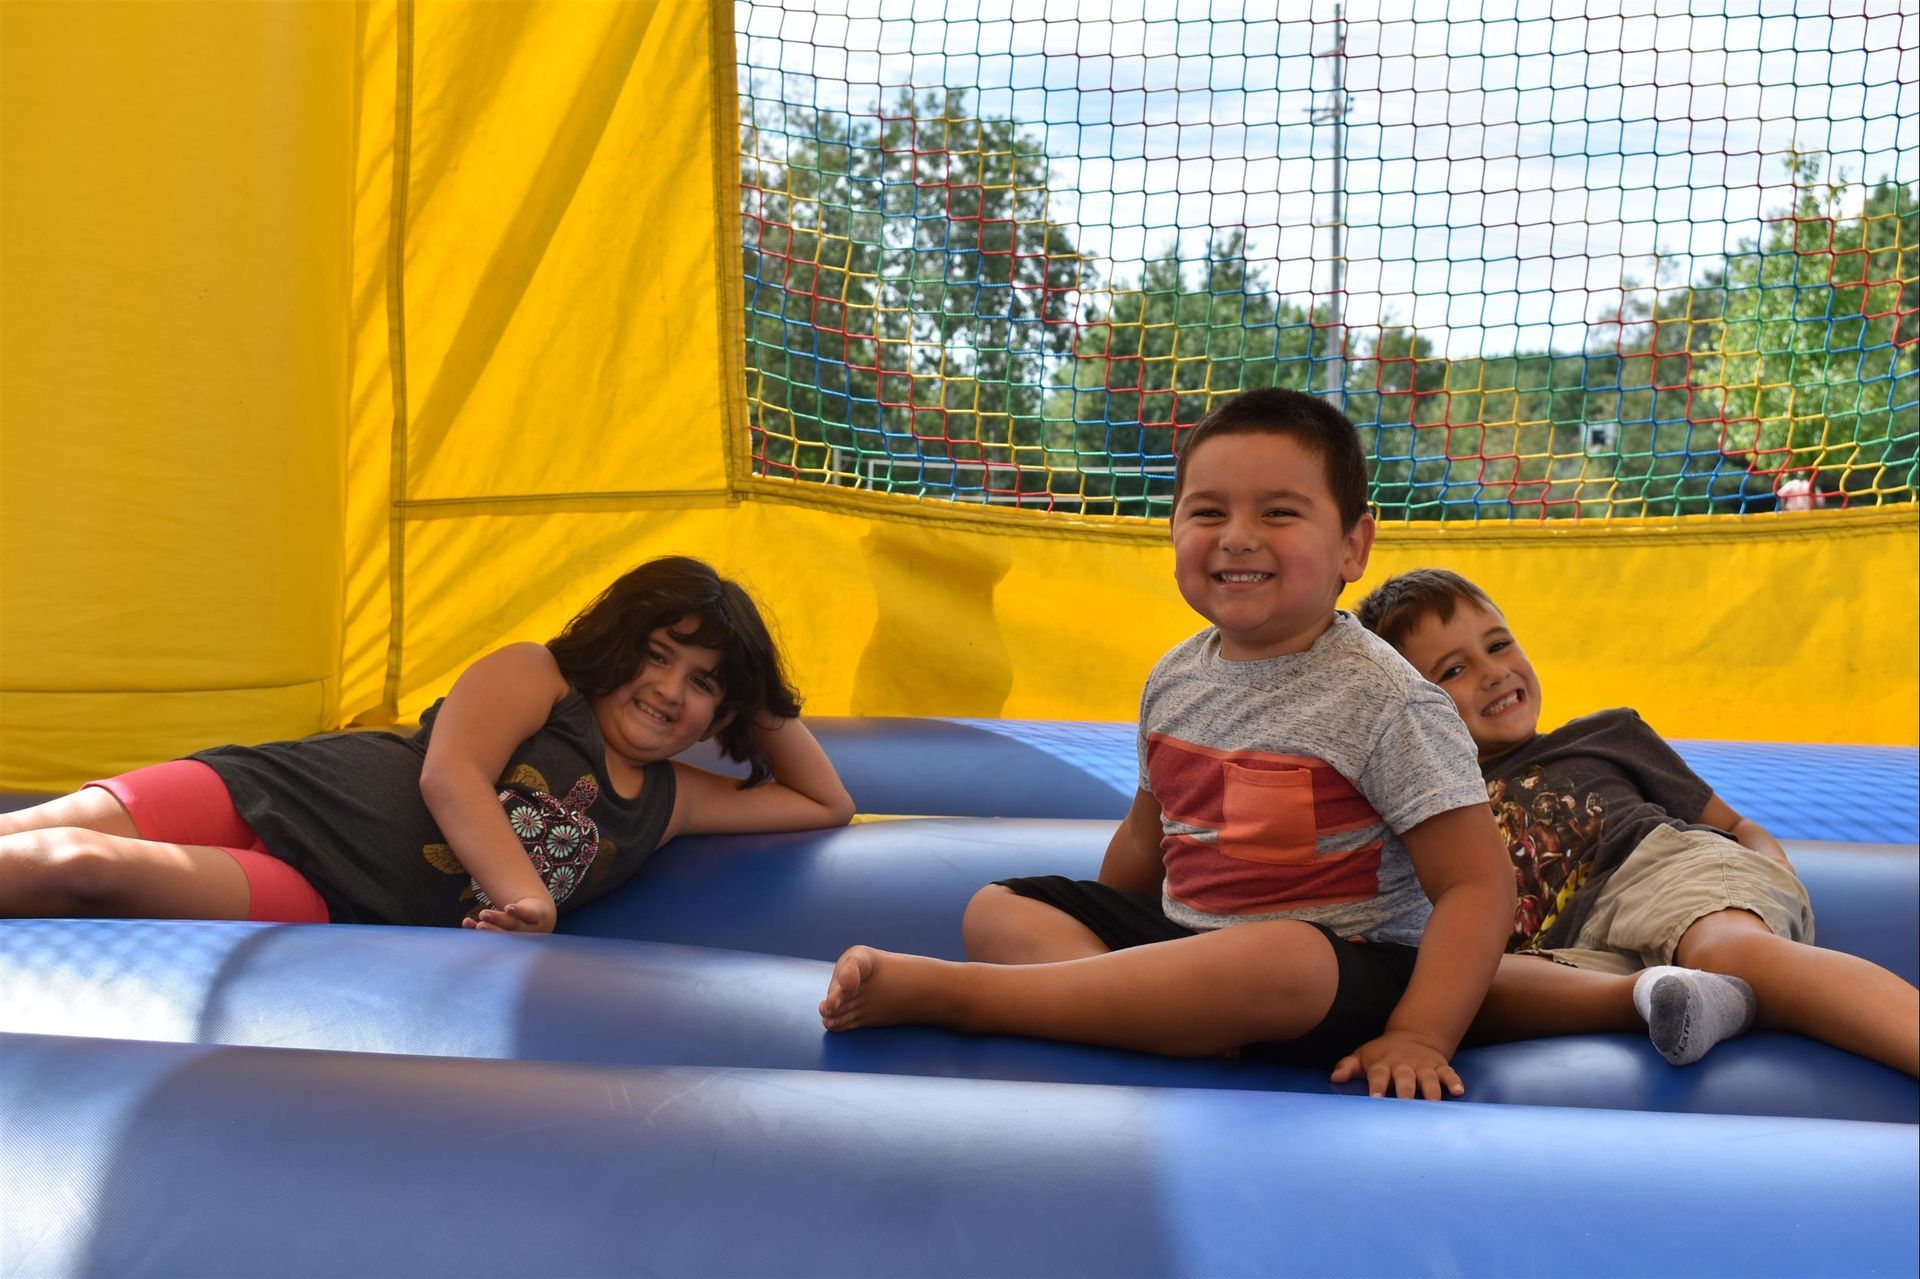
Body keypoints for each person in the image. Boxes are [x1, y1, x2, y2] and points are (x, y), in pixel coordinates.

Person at [819, 387, 1515, 1100]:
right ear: (1173, 529)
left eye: (1279, 512)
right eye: (1208, 512)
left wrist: (1421, 1032)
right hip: (1188, 943)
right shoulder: (1176, 676)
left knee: (1283, 956)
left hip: (1340, 970)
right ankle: (1146, 1011)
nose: (1237, 536)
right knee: (999, 907)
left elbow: (1477, 883)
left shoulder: (1385, 698)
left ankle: (970, 998)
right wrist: (1105, 929)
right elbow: (1147, 838)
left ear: (1353, 546)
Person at [0, 556, 855, 931]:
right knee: (52, 831)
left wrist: (753, 689)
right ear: (618, 639)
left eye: (701, 682)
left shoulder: (672, 805)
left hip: (333, 894)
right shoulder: (540, 678)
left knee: (86, 869)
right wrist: (531, 899)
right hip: (284, 790)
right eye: (657, 654)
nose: (669, 690)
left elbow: (827, 801)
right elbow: (452, 777)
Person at [1356, 567, 1919, 1076]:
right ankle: (1675, 995)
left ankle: (1738, 978)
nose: (1493, 673)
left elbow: (1735, 825)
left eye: (1499, 645)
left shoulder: (1604, 736)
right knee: (1463, 988)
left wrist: (1768, 870)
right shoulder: (1433, 808)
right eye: (1454, 670)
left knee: (1726, 948)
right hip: (1571, 947)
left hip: (1661, 876)